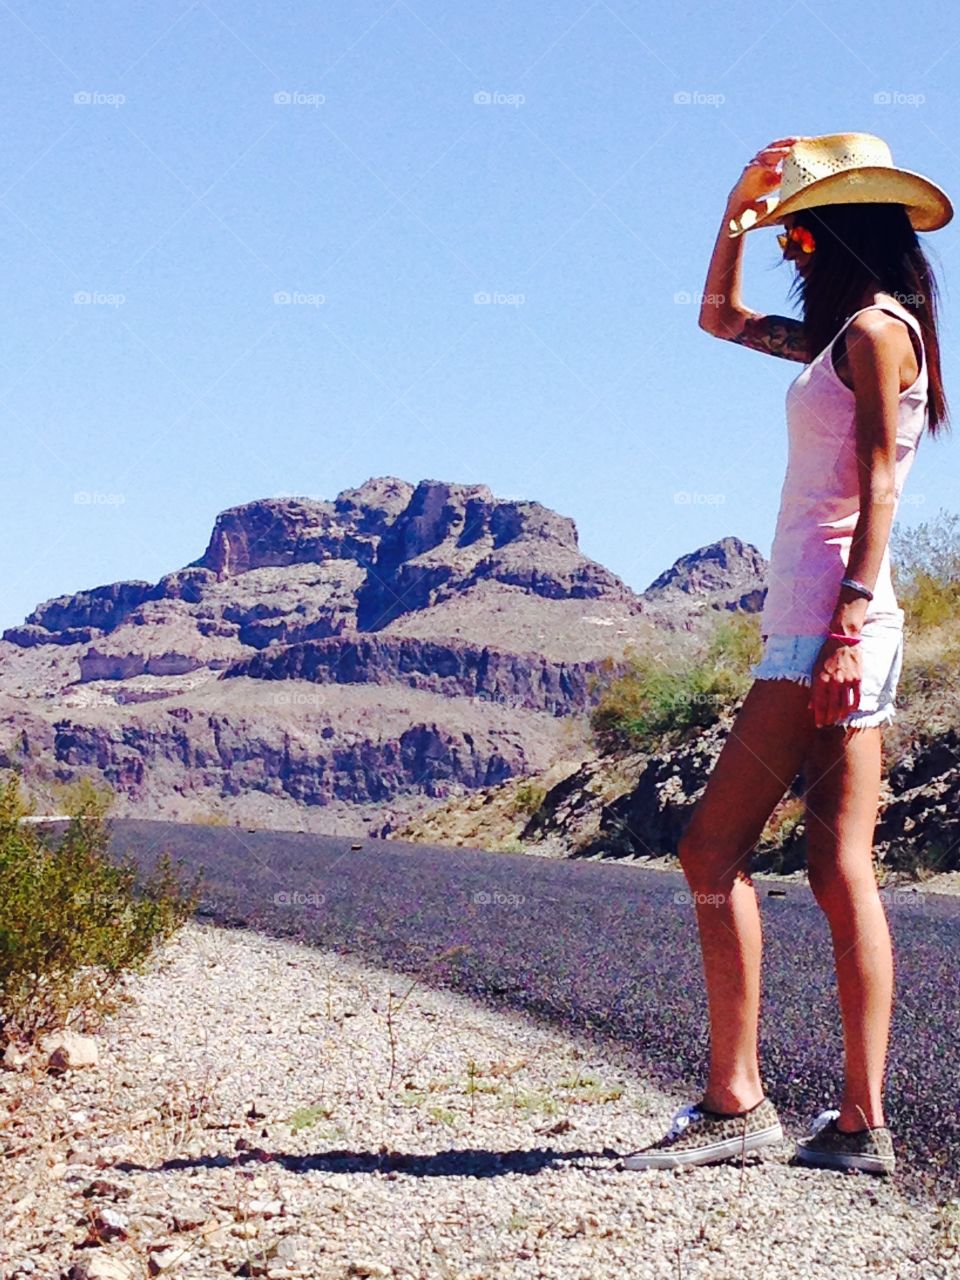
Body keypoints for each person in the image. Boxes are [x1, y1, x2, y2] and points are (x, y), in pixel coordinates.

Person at [622, 133, 952, 1176]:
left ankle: (739, 1105)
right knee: (830, 864)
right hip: (816, 621)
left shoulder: (873, 331)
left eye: (800, 231)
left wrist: (849, 623)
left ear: (846, 229)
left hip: (831, 624)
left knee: (715, 852)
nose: (791, 250)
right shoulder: (835, 334)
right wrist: (735, 201)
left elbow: (881, 485)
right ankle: (853, 1124)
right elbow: (716, 318)